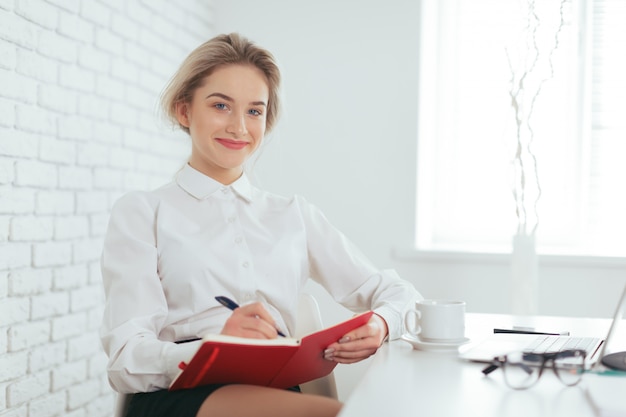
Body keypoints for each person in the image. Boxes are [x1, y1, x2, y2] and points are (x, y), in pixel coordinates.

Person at [99, 32, 422, 417]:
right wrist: (214, 347)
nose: (239, 127)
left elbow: (402, 293)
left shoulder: (292, 215)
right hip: (183, 395)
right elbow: (125, 358)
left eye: (254, 111)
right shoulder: (142, 211)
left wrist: (383, 324)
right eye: (221, 105)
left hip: (278, 390)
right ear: (184, 111)